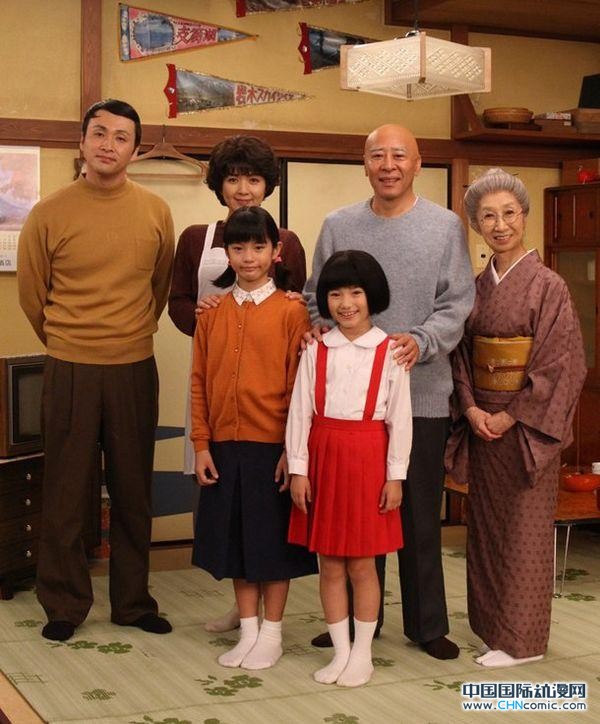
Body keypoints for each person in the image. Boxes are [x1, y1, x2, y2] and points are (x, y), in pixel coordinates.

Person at [304, 124, 475, 660]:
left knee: (418, 515)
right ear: (364, 164)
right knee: (359, 516)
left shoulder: (445, 226)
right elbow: (314, 297)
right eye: (377, 155)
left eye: (400, 155)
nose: (388, 164)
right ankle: (363, 621)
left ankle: (427, 625)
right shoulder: (339, 224)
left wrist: (420, 341)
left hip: (420, 392)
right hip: (349, 405)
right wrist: (328, 333)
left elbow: (458, 303)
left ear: (418, 164)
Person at [17, 99, 175, 641]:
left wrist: (128, 334)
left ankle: (132, 602)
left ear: (136, 149)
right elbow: (33, 295)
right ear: (82, 141)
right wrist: (69, 340)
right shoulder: (49, 212)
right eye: (100, 133)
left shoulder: (155, 211)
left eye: (121, 137)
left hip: (134, 365)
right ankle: (64, 605)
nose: (109, 144)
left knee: (133, 489)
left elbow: (158, 288)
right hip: (70, 366)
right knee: (66, 492)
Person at [445, 168, 586, 668]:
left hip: (526, 431)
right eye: (488, 216)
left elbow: (561, 363)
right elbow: (461, 355)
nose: (499, 224)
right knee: (485, 531)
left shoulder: (549, 286)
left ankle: (524, 642)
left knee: (524, 533)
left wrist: (509, 417)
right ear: (476, 224)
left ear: (525, 216)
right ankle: (493, 630)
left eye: (509, 213)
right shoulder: (475, 287)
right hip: (483, 423)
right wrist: (470, 408)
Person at [168, 135, 307, 633]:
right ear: (219, 185)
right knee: (225, 500)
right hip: (216, 373)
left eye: (253, 179)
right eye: (233, 178)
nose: (243, 188)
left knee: (266, 511)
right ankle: (242, 606)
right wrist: (206, 316)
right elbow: (178, 301)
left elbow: (294, 307)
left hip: (269, 392)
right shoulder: (195, 237)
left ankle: (265, 619)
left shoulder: (288, 241)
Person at [190, 206, 317, 670]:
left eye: (258, 247)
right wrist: (201, 444)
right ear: (226, 253)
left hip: (272, 448)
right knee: (237, 543)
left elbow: (300, 387)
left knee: (272, 546)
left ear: (276, 251)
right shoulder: (212, 314)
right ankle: (247, 631)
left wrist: (292, 451)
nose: (248, 257)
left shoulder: (292, 311)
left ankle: (272, 634)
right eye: (238, 247)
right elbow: (199, 381)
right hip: (224, 446)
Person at [287, 250, 412, 687]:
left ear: (372, 295)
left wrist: (395, 476)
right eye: (336, 294)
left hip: (368, 461)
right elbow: (299, 413)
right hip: (323, 457)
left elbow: (400, 420)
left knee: (362, 564)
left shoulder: (391, 352)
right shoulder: (315, 350)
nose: (346, 303)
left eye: (356, 293)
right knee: (330, 564)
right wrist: (299, 469)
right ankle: (340, 652)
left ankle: (363, 654)